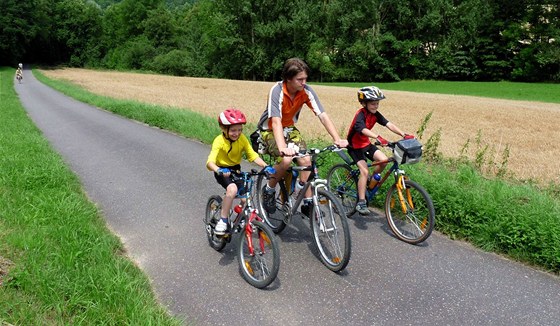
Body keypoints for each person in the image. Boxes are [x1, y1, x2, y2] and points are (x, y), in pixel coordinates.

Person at [257, 58, 348, 217]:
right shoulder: (277, 90)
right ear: (288, 78)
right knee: (285, 160)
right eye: (300, 79)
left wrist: (337, 138)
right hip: (269, 129)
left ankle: (303, 195)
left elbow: (322, 115)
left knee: (306, 161)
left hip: (290, 129)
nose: (304, 82)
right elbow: (276, 122)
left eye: (305, 78)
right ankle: (269, 190)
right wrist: (283, 148)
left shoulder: (306, 91)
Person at [347, 86, 415, 215]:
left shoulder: (375, 114)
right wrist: (377, 137)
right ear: (364, 103)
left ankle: (370, 182)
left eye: (377, 103)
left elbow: (388, 124)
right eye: (373, 103)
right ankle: (361, 202)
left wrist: (403, 134)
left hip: (366, 144)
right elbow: (362, 129)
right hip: (354, 147)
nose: (375, 106)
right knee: (364, 171)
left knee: (383, 160)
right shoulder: (360, 115)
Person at [206, 108, 274, 235]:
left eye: (239, 130)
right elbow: (210, 162)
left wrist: (265, 166)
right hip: (222, 171)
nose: (236, 133)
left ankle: (240, 220)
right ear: (223, 128)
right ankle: (223, 220)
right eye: (233, 130)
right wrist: (218, 169)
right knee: (232, 190)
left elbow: (252, 155)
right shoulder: (219, 141)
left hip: (236, 170)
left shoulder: (242, 139)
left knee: (245, 199)